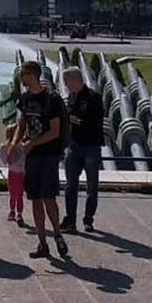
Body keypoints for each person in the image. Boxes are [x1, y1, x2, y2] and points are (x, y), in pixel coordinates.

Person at [13, 60, 69, 259]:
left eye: (24, 73)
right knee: (35, 198)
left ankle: (58, 235)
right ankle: (42, 242)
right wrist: (14, 143)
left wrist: (33, 143)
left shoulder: (51, 99)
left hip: (48, 155)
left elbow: (55, 131)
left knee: (48, 197)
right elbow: (22, 123)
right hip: (32, 156)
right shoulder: (25, 98)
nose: (21, 76)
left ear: (33, 75)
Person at [59, 66, 102, 233]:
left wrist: (77, 121)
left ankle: (88, 219)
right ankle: (70, 219)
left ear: (74, 80)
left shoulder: (94, 97)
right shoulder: (71, 97)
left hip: (91, 146)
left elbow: (96, 122)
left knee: (92, 186)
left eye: (66, 81)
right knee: (71, 185)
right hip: (74, 145)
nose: (65, 84)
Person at [1, 133, 26, 224]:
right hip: (16, 172)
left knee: (18, 194)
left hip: (19, 172)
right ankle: (14, 211)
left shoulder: (22, 146)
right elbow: (5, 159)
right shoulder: (9, 146)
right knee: (14, 193)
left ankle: (17, 212)